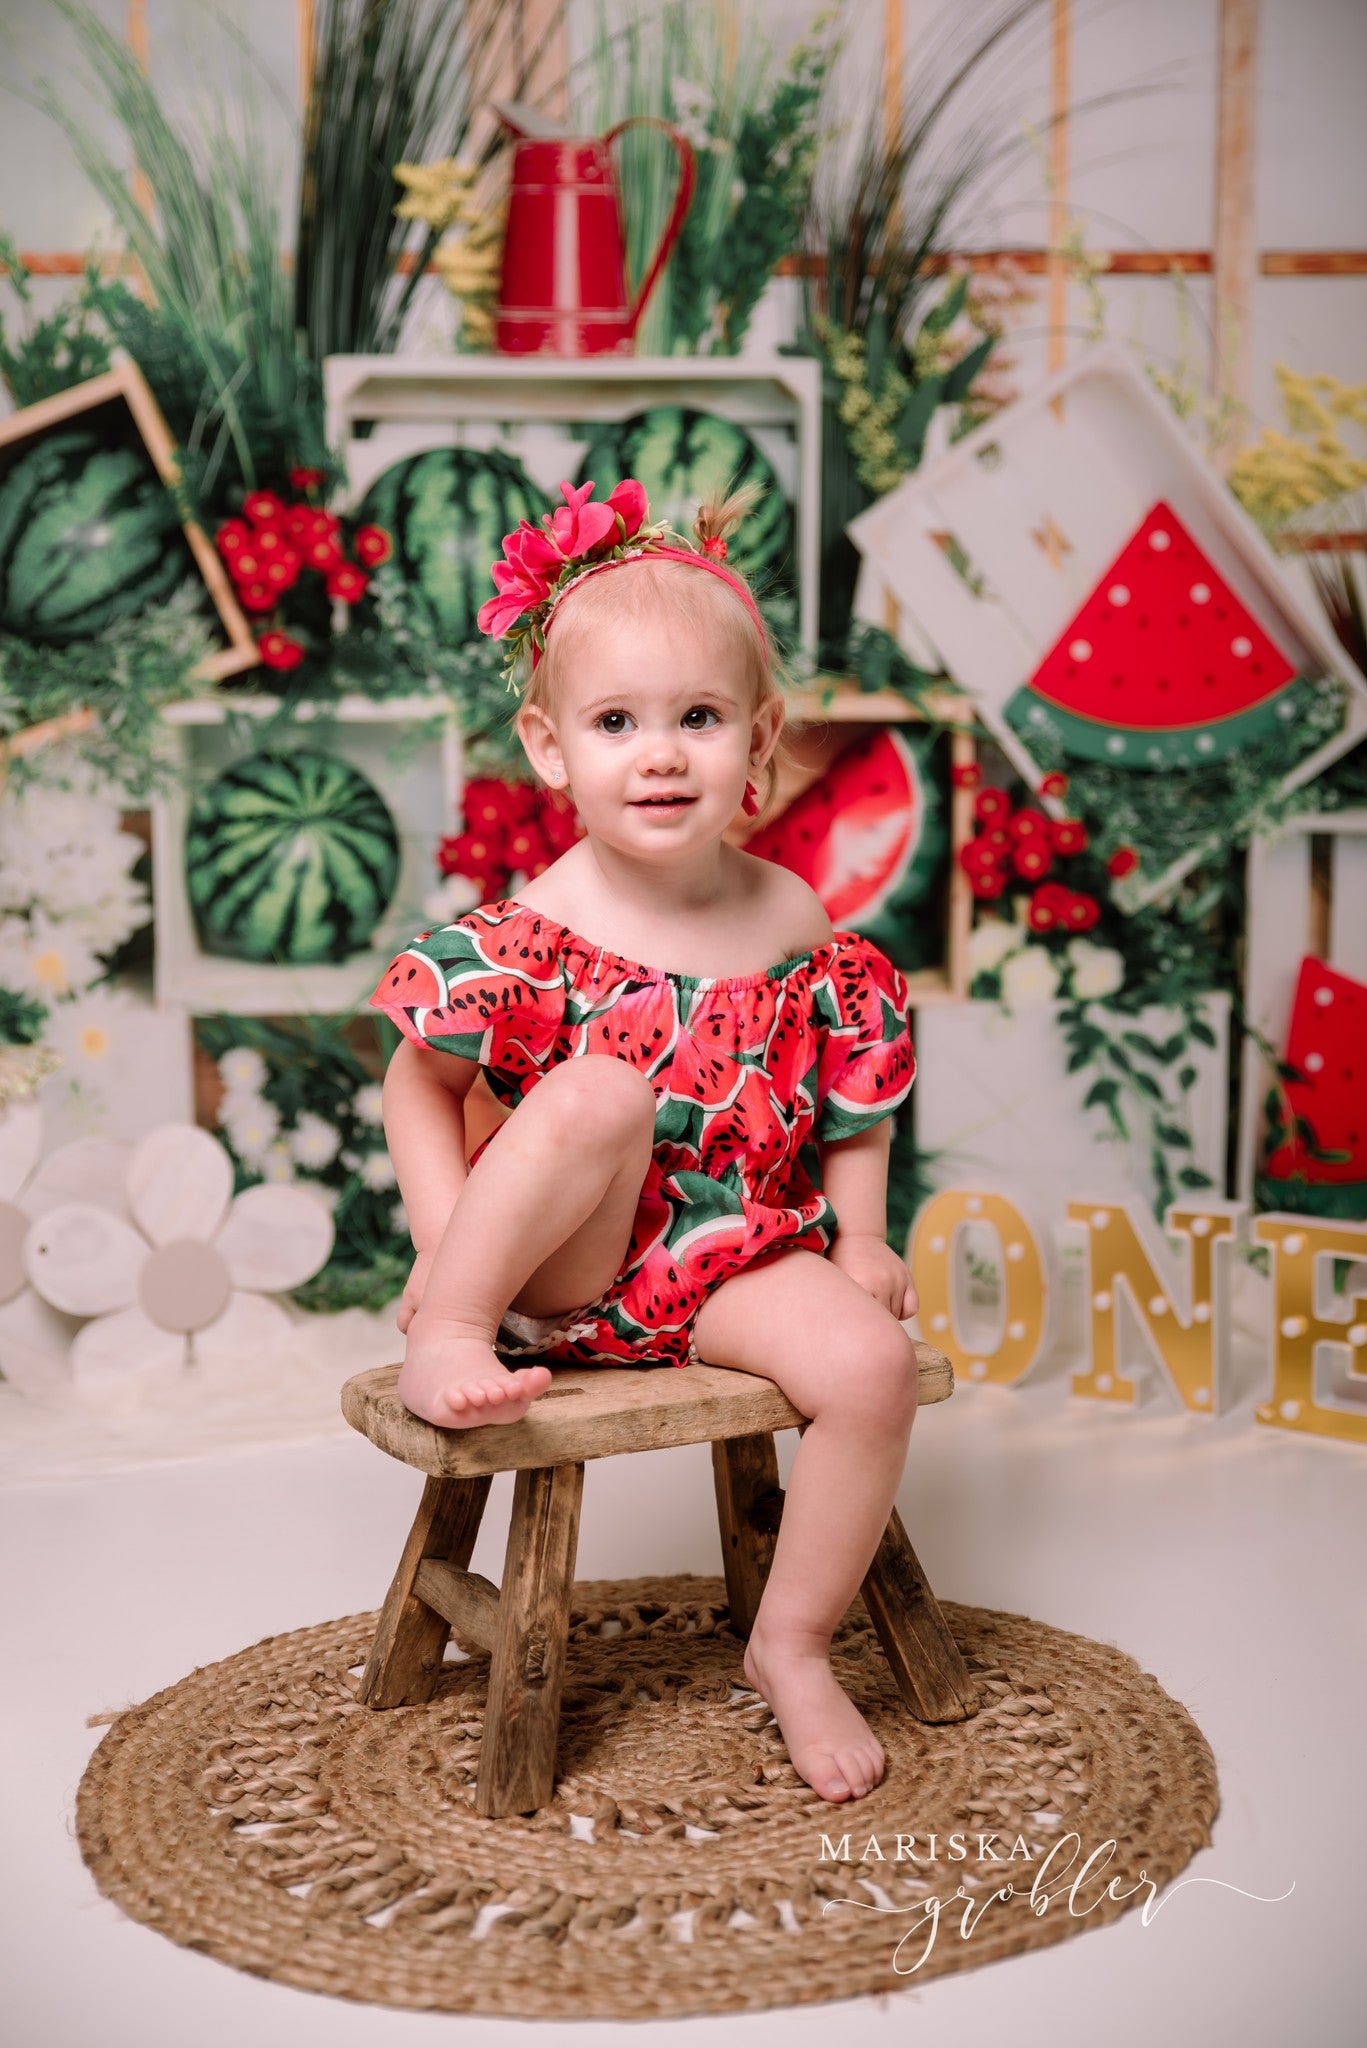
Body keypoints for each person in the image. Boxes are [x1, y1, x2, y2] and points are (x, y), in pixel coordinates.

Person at [368, 476, 921, 1804]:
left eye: (698, 719)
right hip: (563, 1270)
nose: (660, 755)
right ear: (552, 748)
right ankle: (454, 1335)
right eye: (616, 722)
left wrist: (860, 1237)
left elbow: (855, 1087)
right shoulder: (537, 927)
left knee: (873, 1366)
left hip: (725, 1259)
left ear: (760, 738)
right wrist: (451, 1264)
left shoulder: (791, 914)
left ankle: (791, 1645)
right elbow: (415, 1086)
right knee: (601, 1093)